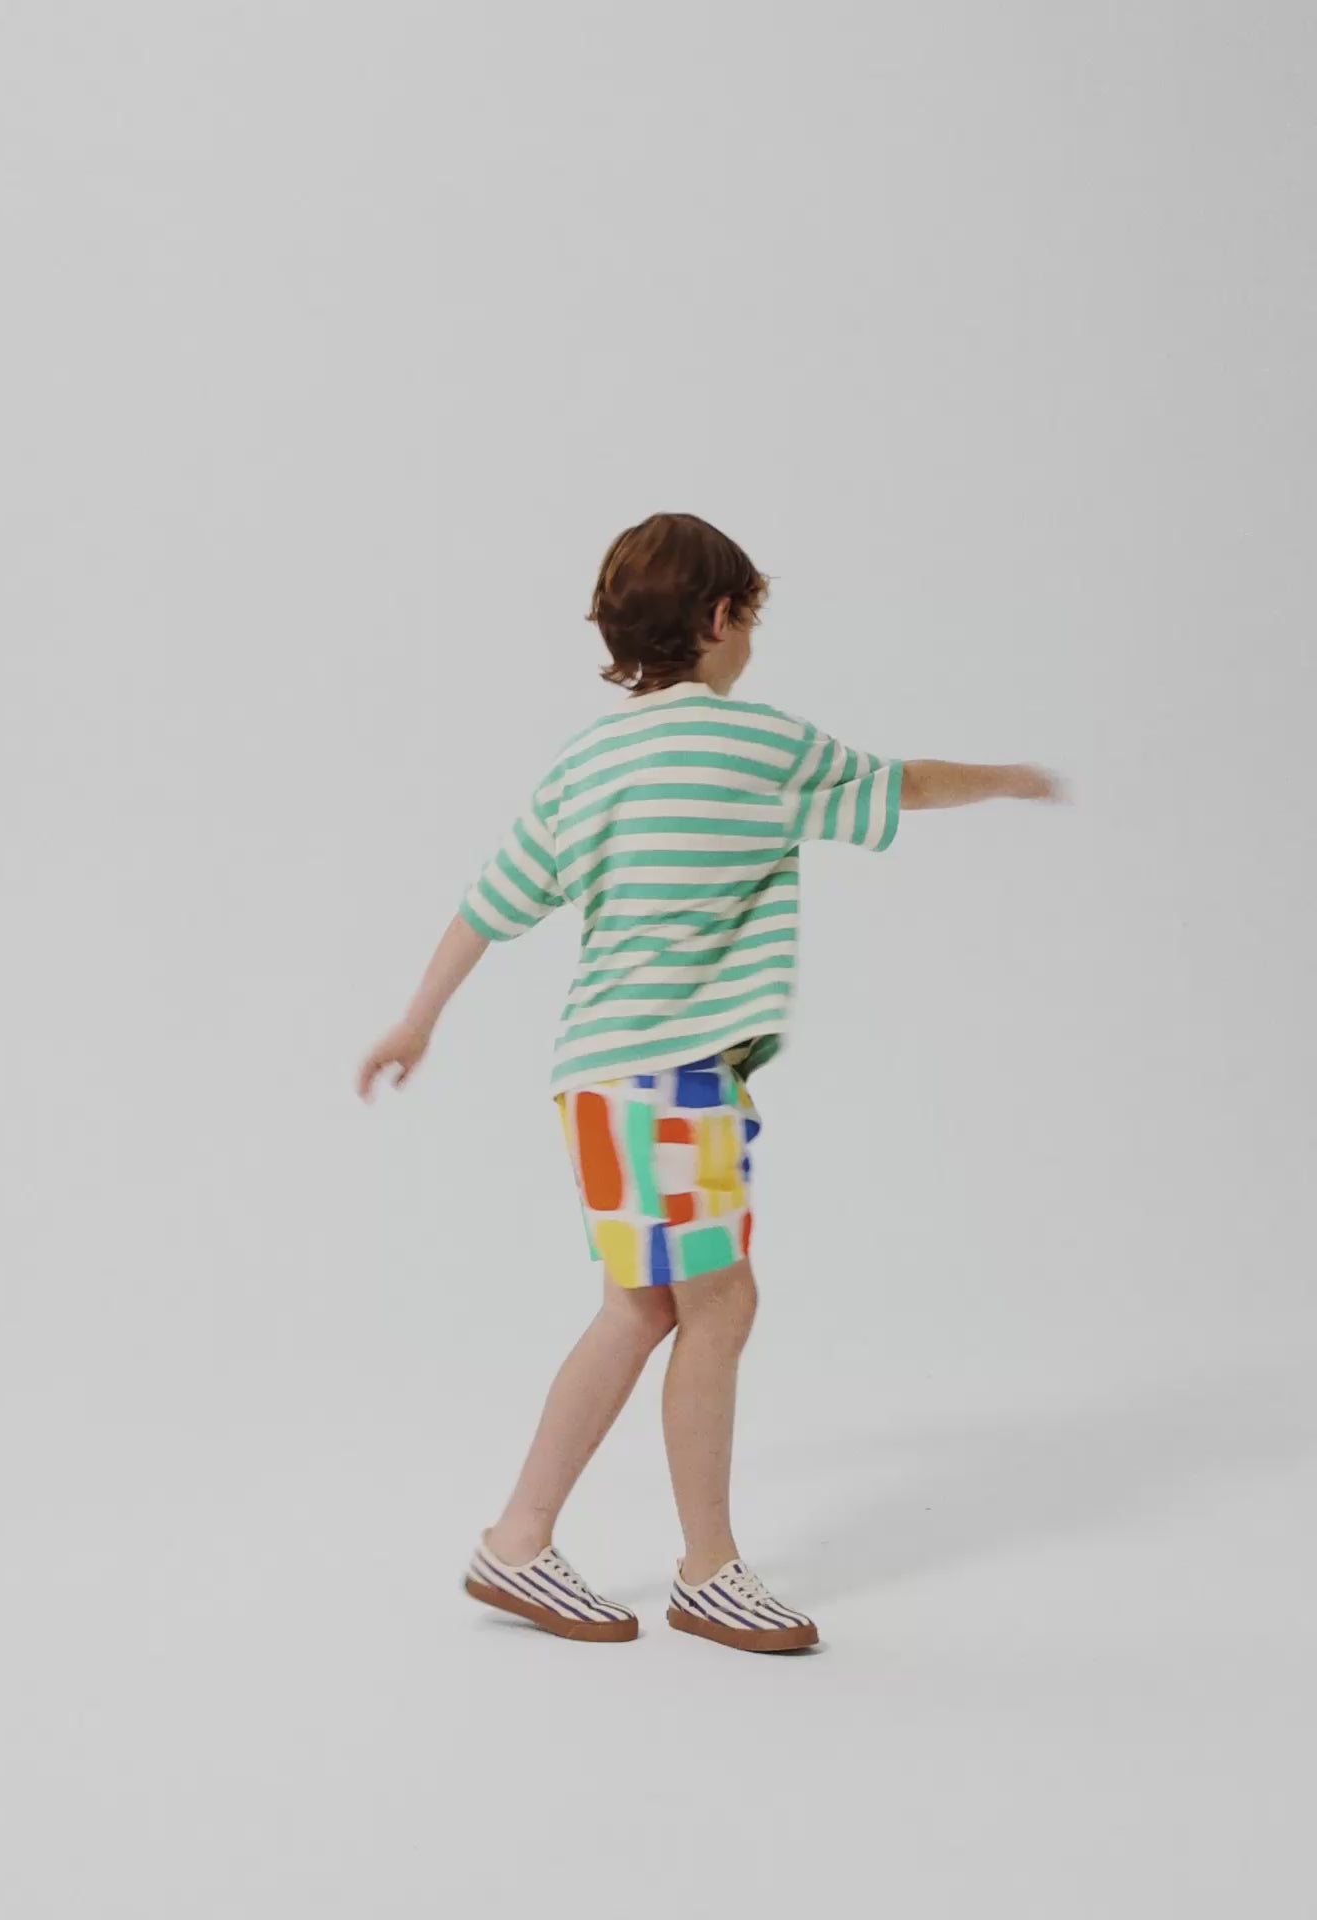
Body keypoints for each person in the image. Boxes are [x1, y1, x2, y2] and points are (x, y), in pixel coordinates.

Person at [358, 512, 1061, 1654]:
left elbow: (490, 900)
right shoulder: (760, 748)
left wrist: (416, 1019)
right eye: (751, 621)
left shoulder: (586, 763)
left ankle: (524, 1541)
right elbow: (903, 785)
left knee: (644, 1307)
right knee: (716, 1305)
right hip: (670, 1075)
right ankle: (701, 1568)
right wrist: (1014, 779)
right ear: (722, 618)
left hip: (599, 1080)